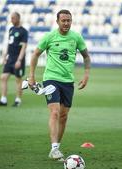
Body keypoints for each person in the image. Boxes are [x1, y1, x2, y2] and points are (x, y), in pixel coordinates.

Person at [28, 9, 91, 160]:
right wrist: (31, 76)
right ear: (57, 22)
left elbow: (86, 56)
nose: (66, 23)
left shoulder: (76, 37)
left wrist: (86, 75)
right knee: (55, 112)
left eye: (68, 20)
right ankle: (54, 148)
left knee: (63, 116)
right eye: (63, 20)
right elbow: (35, 54)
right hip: (51, 79)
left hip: (68, 81)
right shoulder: (49, 37)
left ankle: (56, 147)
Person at [0, 12, 28, 107]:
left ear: (18, 18)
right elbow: (9, 44)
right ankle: (3, 99)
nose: (11, 20)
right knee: (3, 77)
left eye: (13, 18)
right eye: (11, 18)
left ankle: (18, 100)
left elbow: (24, 46)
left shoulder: (24, 31)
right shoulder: (11, 29)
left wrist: (19, 60)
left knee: (18, 80)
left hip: (18, 59)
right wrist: (4, 56)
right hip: (10, 58)